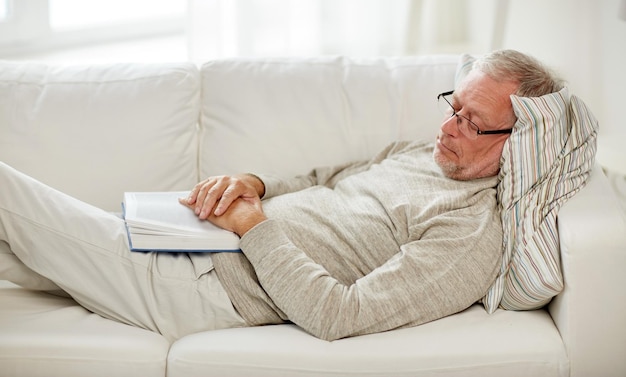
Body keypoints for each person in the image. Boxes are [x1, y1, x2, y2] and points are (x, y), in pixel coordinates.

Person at [0, 49, 564, 342]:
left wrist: (252, 226)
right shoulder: (427, 153)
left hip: (204, 285)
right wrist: (255, 185)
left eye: (471, 122)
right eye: (453, 106)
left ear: (518, 143)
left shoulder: (468, 233)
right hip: (193, 240)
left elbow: (339, 315)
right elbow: (327, 177)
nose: (447, 127)